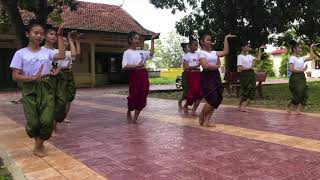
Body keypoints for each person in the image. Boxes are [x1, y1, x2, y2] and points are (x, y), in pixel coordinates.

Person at [9, 20, 65, 157]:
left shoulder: (46, 51)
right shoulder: (20, 53)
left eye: (41, 34)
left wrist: (60, 36)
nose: (39, 36)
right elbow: (15, 76)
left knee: (46, 120)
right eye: (36, 33)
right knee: (33, 122)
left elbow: (62, 56)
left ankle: (39, 145)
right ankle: (38, 143)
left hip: (46, 86)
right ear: (28, 34)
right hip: (29, 88)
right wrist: (32, 78)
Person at [42, 26, 80, 136]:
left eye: (55, 35)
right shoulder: (43, 51)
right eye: (51, 34)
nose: (54, 37)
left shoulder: (58, 51)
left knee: (58, 103)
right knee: (48, 104)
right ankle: (49, 128)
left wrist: (71, 39)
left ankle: (55, 126)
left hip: (58, 78)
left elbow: (73, 54)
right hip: (45, 79)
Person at [198, 32, 235, 127]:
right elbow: (205, 66)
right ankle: (202, 114)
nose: (210, 42)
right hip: (207, 77)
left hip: (216, 76)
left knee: (217, 98)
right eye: (208, 40)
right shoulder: (201, 53)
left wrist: (226, 38)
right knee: (212, 98)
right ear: (202, 42)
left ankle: (207, 121)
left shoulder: (214, 52)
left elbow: (226, 52)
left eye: (210, 40)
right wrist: (217, 66)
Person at [122, 31, 158, 124]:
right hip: (134, 75)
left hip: (143, 74)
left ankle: (135, 118)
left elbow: (151, 53)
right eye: (135, 38)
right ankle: (129, 109)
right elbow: (124, 66)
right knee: (134, 95)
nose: (137, 40)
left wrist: (152, 40)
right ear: (130, 40)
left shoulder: (142, 52)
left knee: (143, 94)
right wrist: (136, 66)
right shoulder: (127, 53)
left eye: (138, 39)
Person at [286, 40, 317, 114]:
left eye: (300, 48)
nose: (300, 49)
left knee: (304, 93)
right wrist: (302, 70)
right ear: (294, 49)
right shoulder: (292, 58)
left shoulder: (301, 58)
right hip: (295, 78)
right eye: (299, 48)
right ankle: (288, 105)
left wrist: (311, 48)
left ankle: (298, 110)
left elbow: (313, 57)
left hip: (302, 77)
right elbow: (291, 69)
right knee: (298, 93)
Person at [237, 41, 264, 112]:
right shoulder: (240, 56)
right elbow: (240, 68)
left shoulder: (250, 56)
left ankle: (244, 106)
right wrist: (250, 67)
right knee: (246, 91)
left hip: (251, 74)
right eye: (247, 46)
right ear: (243, 47)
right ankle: (240, 104)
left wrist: (260, 49)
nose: (248, 47)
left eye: (249, 46)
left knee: (252, 90)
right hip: (244, 75)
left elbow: (258, 59)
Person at [182, 38, 202, 116]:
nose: (196, 46)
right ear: (190, 46)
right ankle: (187, 104)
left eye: (197, 45)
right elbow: (186, 68)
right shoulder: (186, 56)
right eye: (195, 45)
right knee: (193, 92)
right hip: (191, 75)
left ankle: (194, 109)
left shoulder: (199, 54)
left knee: (200, 93)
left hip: (199, 74)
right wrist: (196, 66)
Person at [178, 43, 190, 110]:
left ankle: (186, 105)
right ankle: (180, 102)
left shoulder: (192, 55)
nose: (190, 48)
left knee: (191, 91)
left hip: (192, 74)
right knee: (186, 91)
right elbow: (184, 67)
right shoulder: (184, 56)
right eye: (188, 47)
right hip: (186, 74)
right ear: (185, 49)